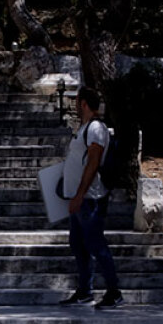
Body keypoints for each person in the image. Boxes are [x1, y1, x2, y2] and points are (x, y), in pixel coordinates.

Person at [59, 88, 123, 309]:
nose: (76, 105)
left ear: (84, 103)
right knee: (78, 244)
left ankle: (114, 291)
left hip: (89, 197)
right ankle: (85, 290)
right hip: (79, 198)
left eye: (77, 101)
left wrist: (79, 194)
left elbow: (93, 163)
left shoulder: (96, 128)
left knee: (96, 244)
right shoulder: (85, 128)